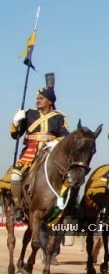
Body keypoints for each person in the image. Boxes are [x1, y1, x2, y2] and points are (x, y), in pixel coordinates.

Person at [9, 75, 69, 221]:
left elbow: (65, 135)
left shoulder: (59, 117)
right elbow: (15, 135)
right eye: (37, 98)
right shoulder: (29, 114)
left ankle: (68, 205)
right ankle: (18, 207)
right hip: (31, 151)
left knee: (69, 176)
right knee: (15, 175)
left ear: (50, 101)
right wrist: (15, 123)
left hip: (50, 150)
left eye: (41, 98)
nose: (38, 101)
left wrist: (55, 142)